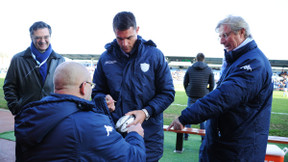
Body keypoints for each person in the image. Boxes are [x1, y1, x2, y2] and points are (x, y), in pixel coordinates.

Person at [168, 15, 273, 161]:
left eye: (225, 35)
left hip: (238, 150)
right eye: (220, 37)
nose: (222, 41)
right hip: (224, 145)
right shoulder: (237, 59)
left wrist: (186, 116)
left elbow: (224, 96)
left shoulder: (254, 62)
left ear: (241, 32)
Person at [15, 62, 146, 161]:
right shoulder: (89, 124)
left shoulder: (32, 113)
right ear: (84, 87)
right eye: (90, 84)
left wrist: (101, 105)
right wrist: (135, 135)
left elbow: (69, 112)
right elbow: (133, 158)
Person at [92, 11, 175, 161]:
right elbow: (97, 91)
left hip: (148, 135)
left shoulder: (154, 55)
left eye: (129, 37)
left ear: (137, 30)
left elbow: (167, 93)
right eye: (119, 38)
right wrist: (104, 99)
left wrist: (146, 112)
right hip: (114, 136)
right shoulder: (105, 58)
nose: (125, 43)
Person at [3, 21, 65, 115]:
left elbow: (64, 88)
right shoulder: (18, 59)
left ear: (50, 36)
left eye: (46, 37)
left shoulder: (60, 60)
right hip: (26, 115)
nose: (43, 41)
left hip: (52, 115)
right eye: (38, 38)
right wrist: (16, 107)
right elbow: (9, 86)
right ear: (31, 37)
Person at [183, 53, 214, 141]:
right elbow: (212, 84)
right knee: (203, 116)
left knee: (189, 114)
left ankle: (185, 134)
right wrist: (208, 93)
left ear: (196, 59)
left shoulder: (190, 68)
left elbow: (185, 82)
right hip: (203, 95)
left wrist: (188, 91)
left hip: (192, 95)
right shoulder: (208, 69)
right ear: (204, 59)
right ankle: (203, 137)